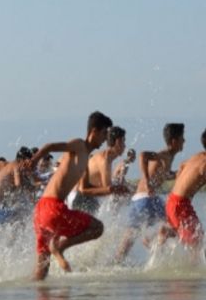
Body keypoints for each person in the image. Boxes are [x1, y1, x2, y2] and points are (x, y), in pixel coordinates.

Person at [31, 112, 113, 280]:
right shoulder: (79, 145)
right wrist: (33, 162)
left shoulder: (85, 159)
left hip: (41, 212)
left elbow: (85, 188)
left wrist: (112, 189)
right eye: (104, 133)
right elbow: (49, 147)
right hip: (52, 207)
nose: (105, 139)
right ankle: (60, 247)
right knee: (97, 228)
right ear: (94, 131)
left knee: (41, 273)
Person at [114, 123, 185, 263]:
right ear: (174, 141)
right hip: (147, 199)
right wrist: (146, 181)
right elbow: (143, 156)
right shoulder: (164, 154)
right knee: (176, 225)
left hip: (138, 199)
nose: (184, 141)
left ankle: (115, 263)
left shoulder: (167, 158)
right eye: (182, 138)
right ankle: (153, 245)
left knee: (128, 240)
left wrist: (177, 174)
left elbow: (163, 175)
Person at [71, 125, 131, 214]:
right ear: (118, 142)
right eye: (123, 141)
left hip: (85, 196)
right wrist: (124, 191)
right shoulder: (104, 160)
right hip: (82, 197)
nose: (125, 146)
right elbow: (107, 188)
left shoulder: (105, 157)